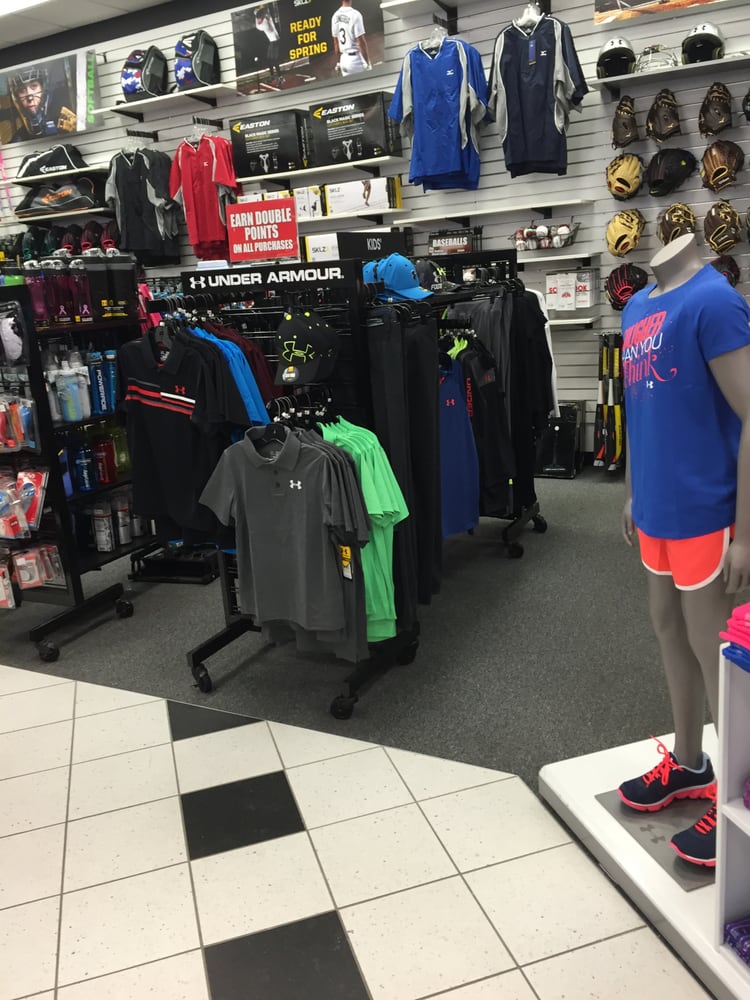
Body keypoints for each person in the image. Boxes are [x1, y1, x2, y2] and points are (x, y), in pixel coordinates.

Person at [617, 233, 750, 868]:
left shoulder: (715, 301)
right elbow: (639, 409)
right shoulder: (636, 306)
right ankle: (691, 763)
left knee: (715, 651)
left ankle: (738, 797)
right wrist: (632, 491)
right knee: (668, 629)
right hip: (656, 508)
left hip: (705, 508)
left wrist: (746, 532)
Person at [9, 66, 76, 142]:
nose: (29, 97)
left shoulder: (65, 124)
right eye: (22, 90)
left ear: (43, 88)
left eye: (34, 86)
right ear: (17, 96)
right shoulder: (19, 138)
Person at [331, 0, 371, 76]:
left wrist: (338, 62)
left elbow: (336, 43)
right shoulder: (355, 14)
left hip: (343, 60)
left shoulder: (335, 16)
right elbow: (361, 43)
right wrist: (368, 63)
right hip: (356, 61)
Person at [255, 7, 282, 84]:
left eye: (259, 19)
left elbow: (258, 26)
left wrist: (258, 14)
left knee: (274, 60)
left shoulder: (265, 24)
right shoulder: (266, 17)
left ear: (262, 18)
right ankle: (272, 76)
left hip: (275, 41)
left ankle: (280, 77)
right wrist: (259, 11)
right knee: (269, 59)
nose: (258, 21)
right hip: (272, 41)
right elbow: (261, 12)